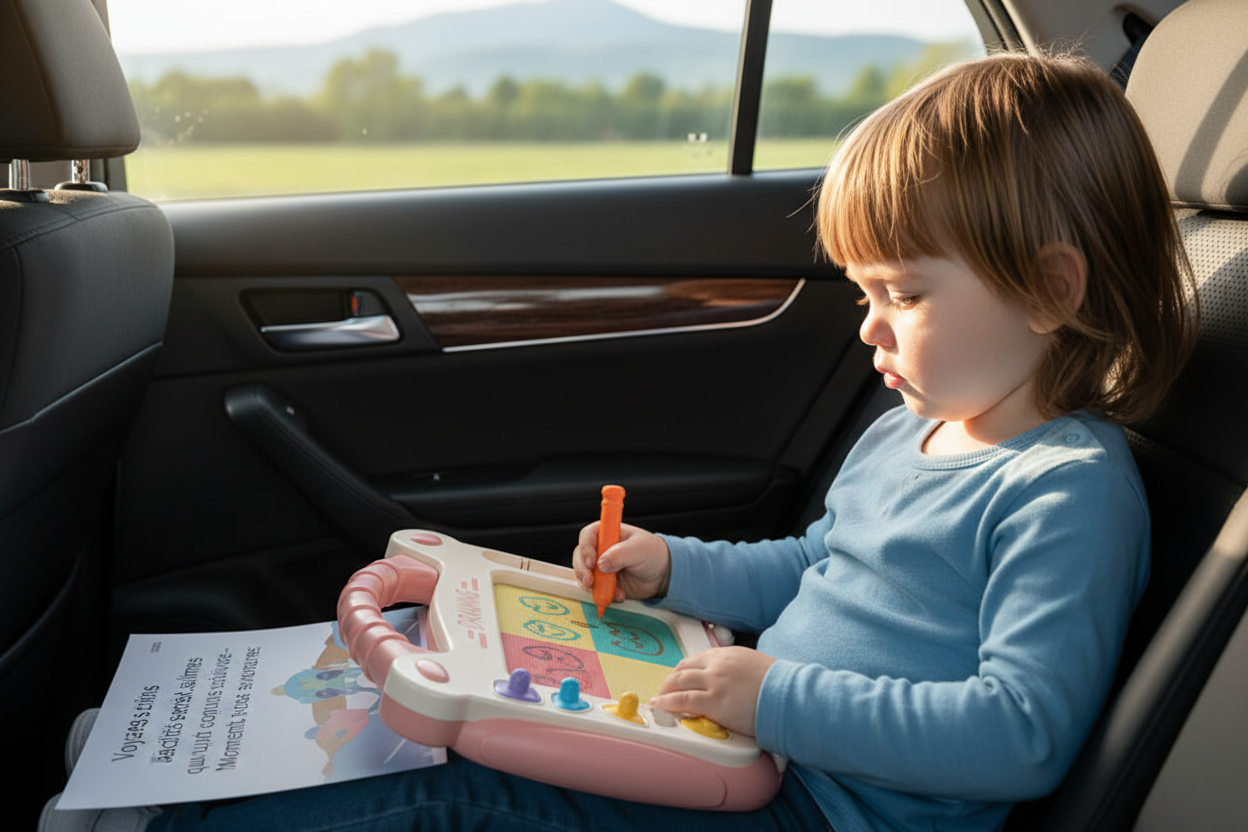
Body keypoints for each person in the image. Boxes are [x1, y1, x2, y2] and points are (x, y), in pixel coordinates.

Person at [42, 51, 1195, 832]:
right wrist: (676, 564)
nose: (868, 326)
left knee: (475, 796)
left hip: (814, 807)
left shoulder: (1068, 494)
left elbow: (1022, 732)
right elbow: (812, 563)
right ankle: (187, 763)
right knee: (457, 712)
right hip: (740, 731)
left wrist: (774, 696)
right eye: (861, 289)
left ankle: (164, 813)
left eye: (903, 292)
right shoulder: (920, 429)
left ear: (1049, 291)